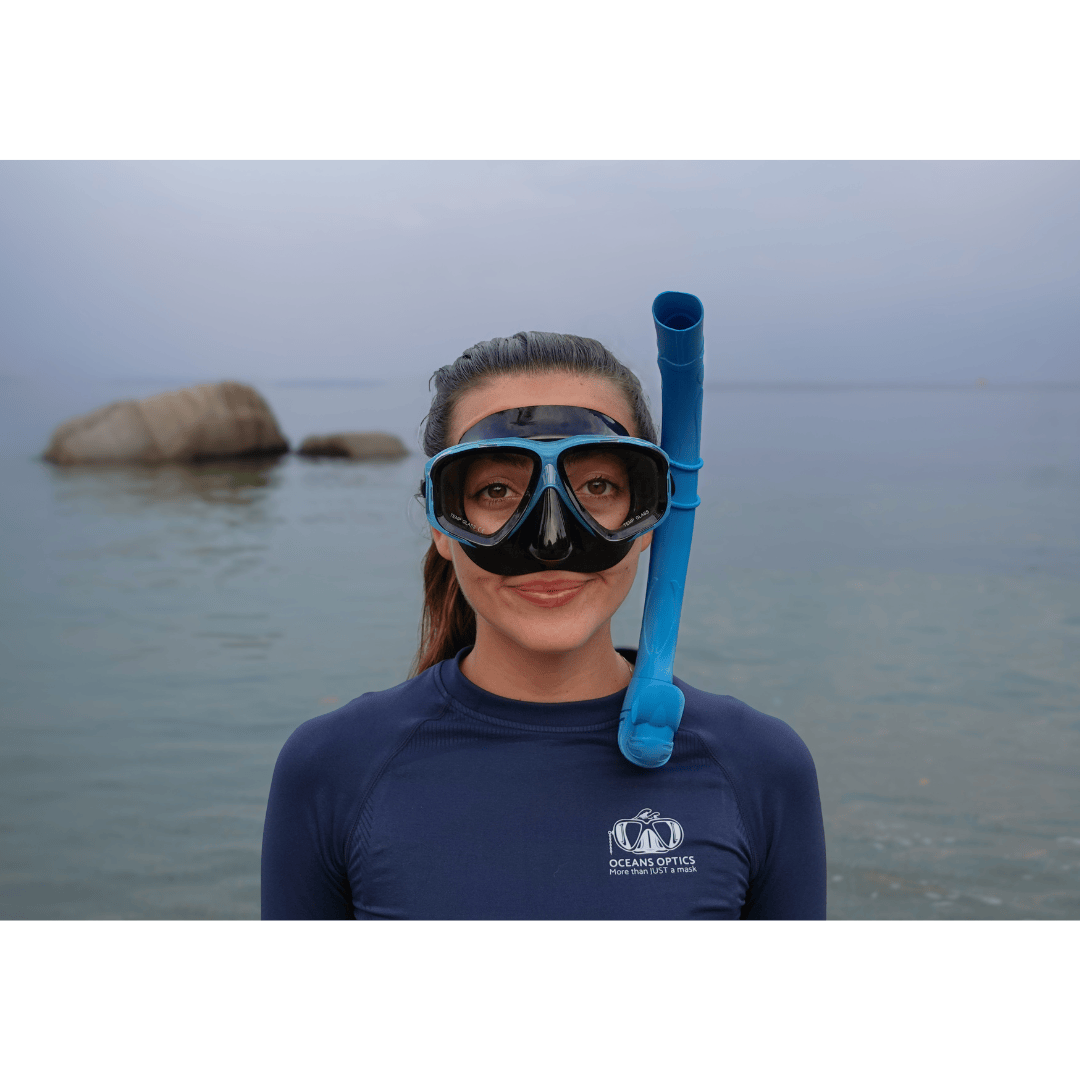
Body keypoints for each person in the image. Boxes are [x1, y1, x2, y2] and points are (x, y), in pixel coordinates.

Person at [261, 331, 826, 919]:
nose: (551, 542)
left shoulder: (757, 766)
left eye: (598, 487)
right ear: (441, 522)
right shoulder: (333, 768)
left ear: (649, 514)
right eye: (497, 491)